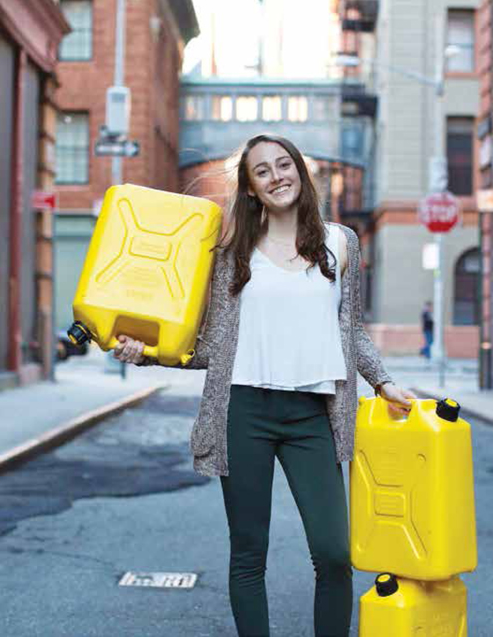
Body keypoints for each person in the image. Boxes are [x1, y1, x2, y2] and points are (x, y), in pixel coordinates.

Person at [112, 133, 415, 637]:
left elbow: (351, 328)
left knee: (335, 554)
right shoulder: (231, 251)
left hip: (312, 415)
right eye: (263, 171)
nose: (277, 177)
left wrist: (382, 382)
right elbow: (211, 344)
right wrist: (145, 353)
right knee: (249, 553)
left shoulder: (341, 243)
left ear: (301, 170)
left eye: (284, 165)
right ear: (250, 187)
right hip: (243, 410)